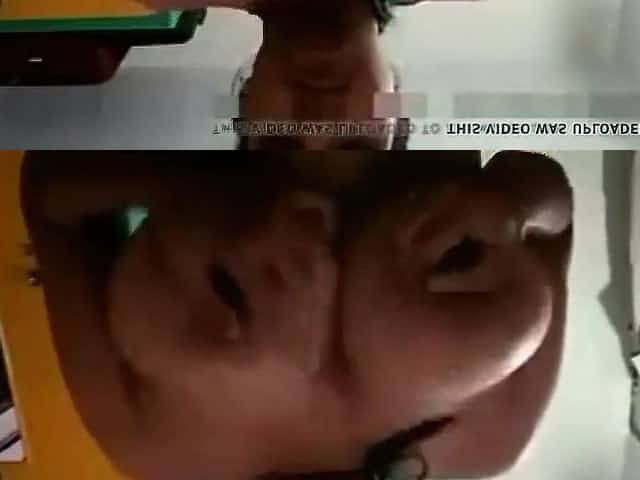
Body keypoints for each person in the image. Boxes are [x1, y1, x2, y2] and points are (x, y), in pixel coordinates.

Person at [21, 151, 573, 480]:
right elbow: (552, 203)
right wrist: (509, 205)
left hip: (223, 70)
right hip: (415, 59)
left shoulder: (150, 447)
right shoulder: (491, 436)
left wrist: (195, 194)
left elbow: (50, 189)